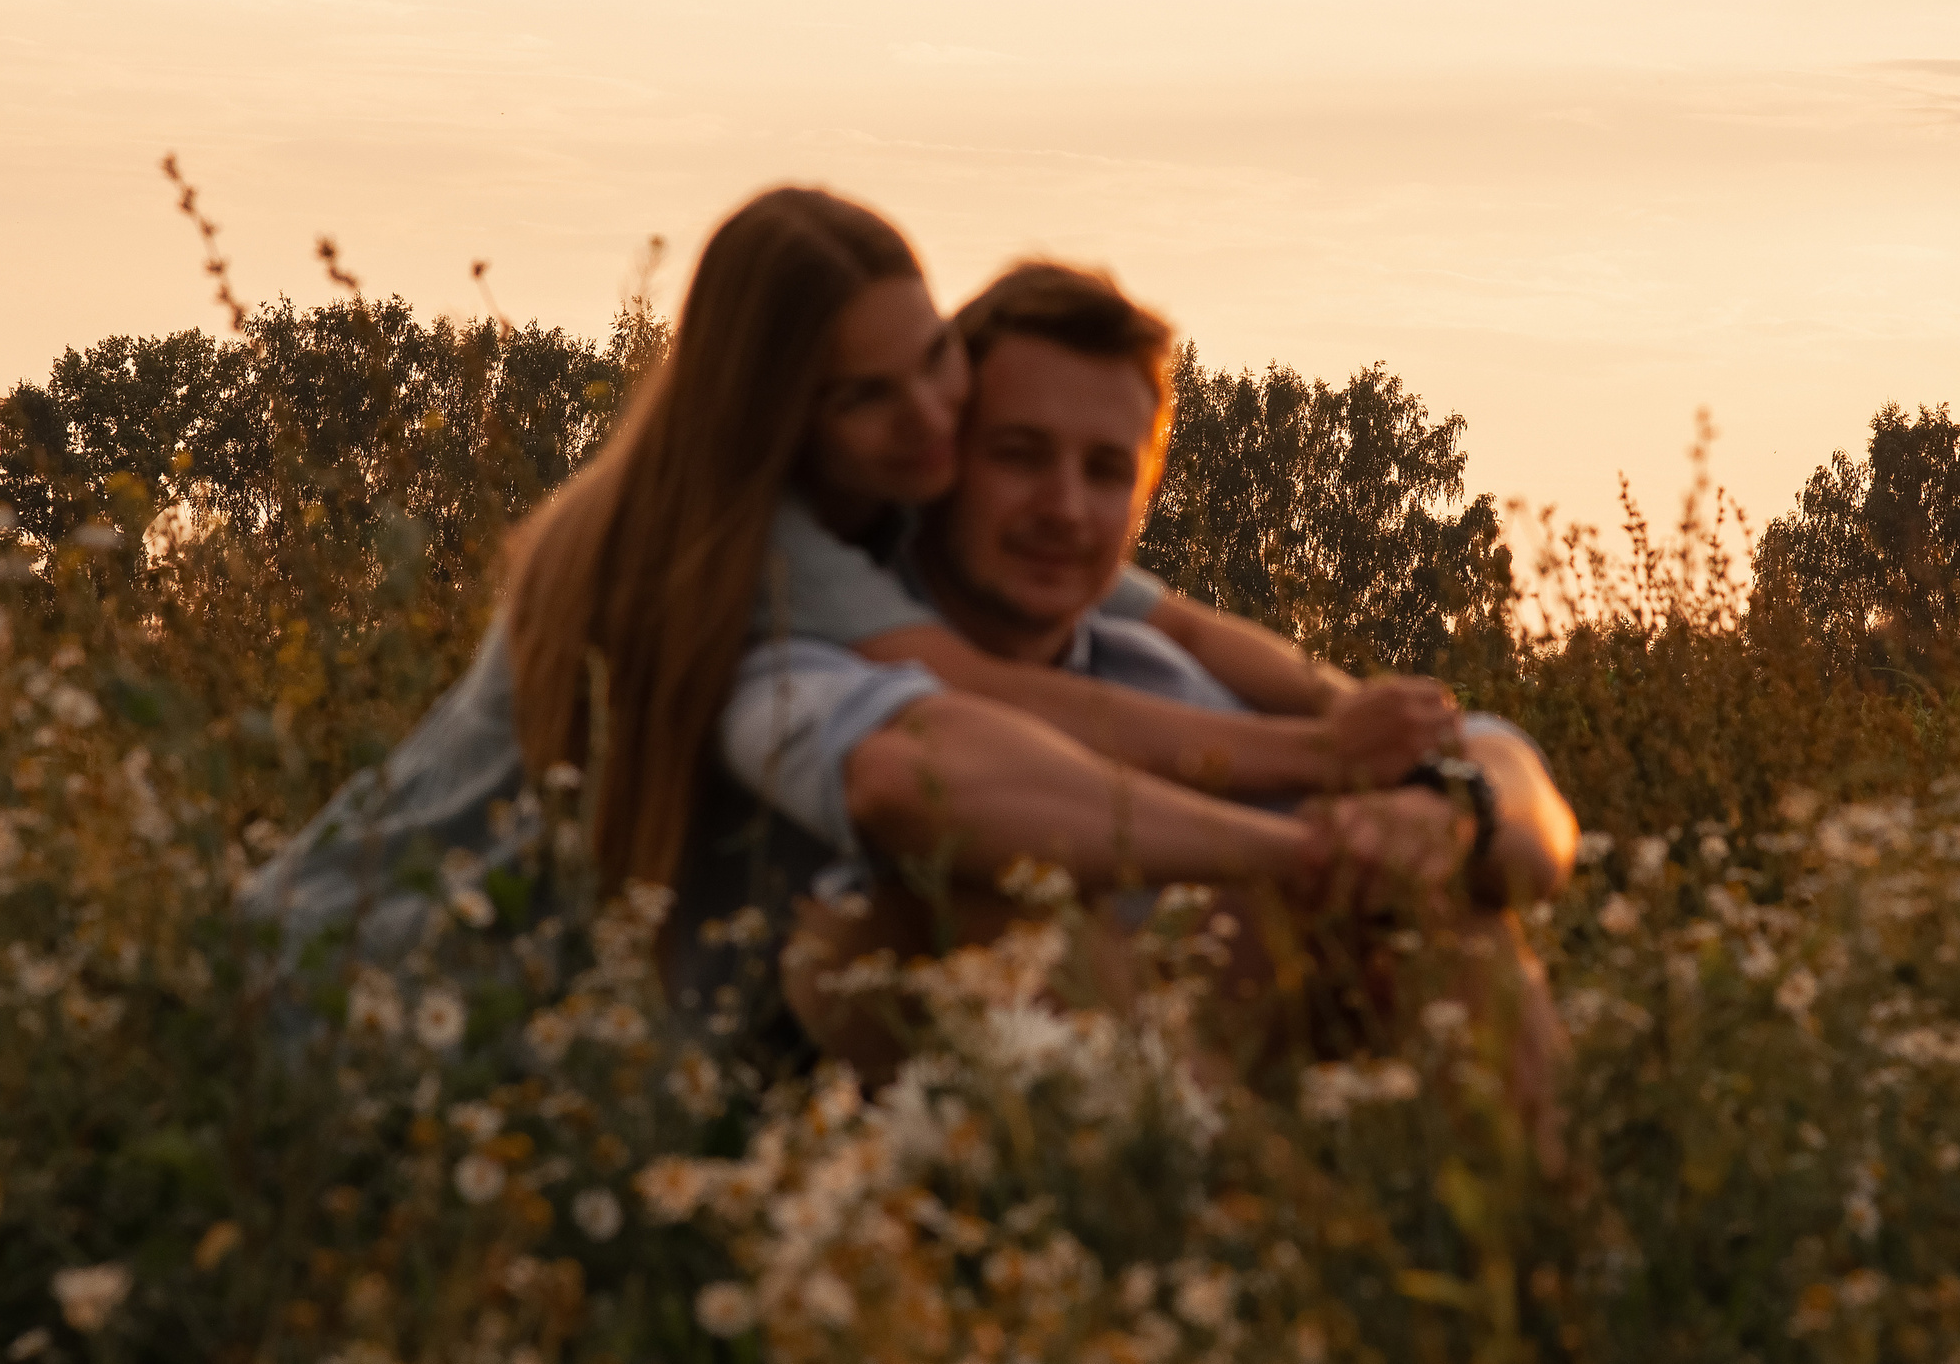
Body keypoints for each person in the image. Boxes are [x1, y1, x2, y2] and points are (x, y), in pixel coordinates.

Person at [241, 188, 1478, 1048]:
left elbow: (1181, 622)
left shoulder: (886, 495)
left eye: (934, 357)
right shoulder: (745, 535)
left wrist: (1360, 713)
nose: (931, 416)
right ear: (781, 416)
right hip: (370, 963)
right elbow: (977, 693)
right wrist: (1312, 758)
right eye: (867, 396)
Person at [712, 262, 1577, 1086]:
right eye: (1019, 454)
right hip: (869, 1140)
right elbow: (916, 775)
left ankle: (1537, 1200)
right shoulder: (809, 655)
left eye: (1105, 471)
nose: (1064, 507)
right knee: (957, 903)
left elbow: (1512, 776)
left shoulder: (1160, 667)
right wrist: (1307, 840)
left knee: (1457, 919)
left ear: (1146, 493)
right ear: (941, 462)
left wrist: (1451, 813)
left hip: (1224, 1075)